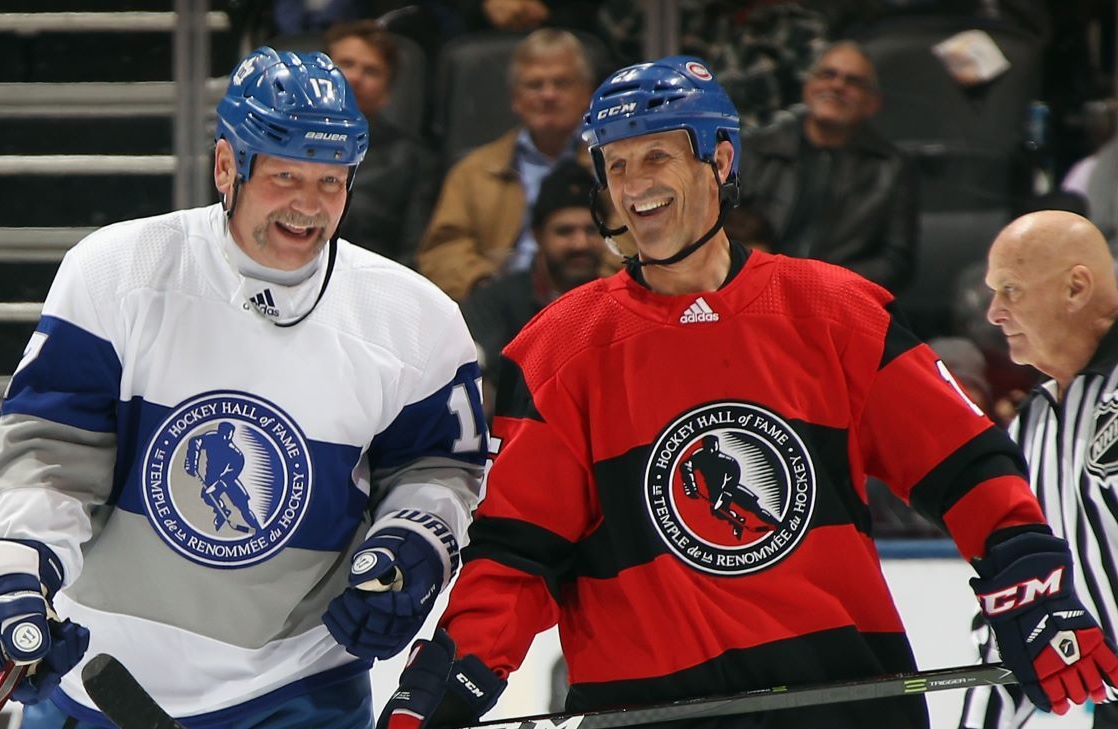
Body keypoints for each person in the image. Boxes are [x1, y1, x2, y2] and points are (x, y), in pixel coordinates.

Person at [376, 56, 1118, 728]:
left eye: (656, 157)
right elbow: (514, 557)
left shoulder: (837, 313)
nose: (635, 188)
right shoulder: (559, 352)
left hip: (847, 708)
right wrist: (447, 681)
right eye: (617, 166)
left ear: (720, 159)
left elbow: (966, 464)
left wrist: (1029, 578)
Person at [0, 47, 486, 728]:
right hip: (101, 680)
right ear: (227, 165)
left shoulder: (416, 318)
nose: (308, 205)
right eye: (286, 176)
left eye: (330, 182)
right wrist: (21, 560)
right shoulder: (119, 271)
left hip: (300, 685)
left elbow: (440, 467)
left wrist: (416, 541)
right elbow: (49, 450)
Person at [960, 210, 1118, 729]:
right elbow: (1021, 611)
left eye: (1011, 290)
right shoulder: (1030, 428)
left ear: (1076, 288)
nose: (994, 313)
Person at [417, 28, 596, 301]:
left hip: (593, 307)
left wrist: (597, 291)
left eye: (561, 83)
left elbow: (635, 249)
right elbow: (442, 250)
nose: (548, 95)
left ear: (586, 94)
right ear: (515, 98)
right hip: (497, 311)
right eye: (535, 85)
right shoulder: (472, 171)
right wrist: (488, 289)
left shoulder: (614, 168)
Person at [740, 41, 918, 293]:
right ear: (808, 88)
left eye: (853, 81)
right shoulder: (755, 151)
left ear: (872, 103)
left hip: (838, 307)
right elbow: (719, 235)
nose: (836, 86)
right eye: (827, 75)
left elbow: (896, 263)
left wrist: (818, 283)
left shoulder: (891, 168)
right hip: (755, 297)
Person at [460, 159, 612, 392]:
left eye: (591, 230)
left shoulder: (621, 304)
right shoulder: (491, 305)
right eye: (564, 231)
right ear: (537, 236)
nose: (580, 243)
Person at [325, 20, 439, 265]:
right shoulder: (273, 139)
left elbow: (413, 252)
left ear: (387, 94)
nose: (355, 77)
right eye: (346, 64)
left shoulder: (413, 160)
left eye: (371, 71)